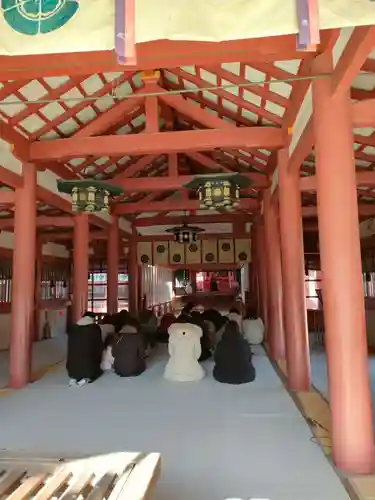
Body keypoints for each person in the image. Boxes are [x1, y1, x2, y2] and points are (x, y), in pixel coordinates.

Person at [66, 311, 103, 387]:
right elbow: (99, 345)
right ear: (92, 318)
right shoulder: (94, 328)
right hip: (89, 366)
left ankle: (74, 378)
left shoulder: (73, 328)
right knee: (97, 367)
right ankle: (86, 377)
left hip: (72, 368)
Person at [213, 321, 256, 385]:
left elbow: (216, 359)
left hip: (222, 377)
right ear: (238, 330)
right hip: (246, 376)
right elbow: (249, 358)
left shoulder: (221, 344)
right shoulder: (244, 343)